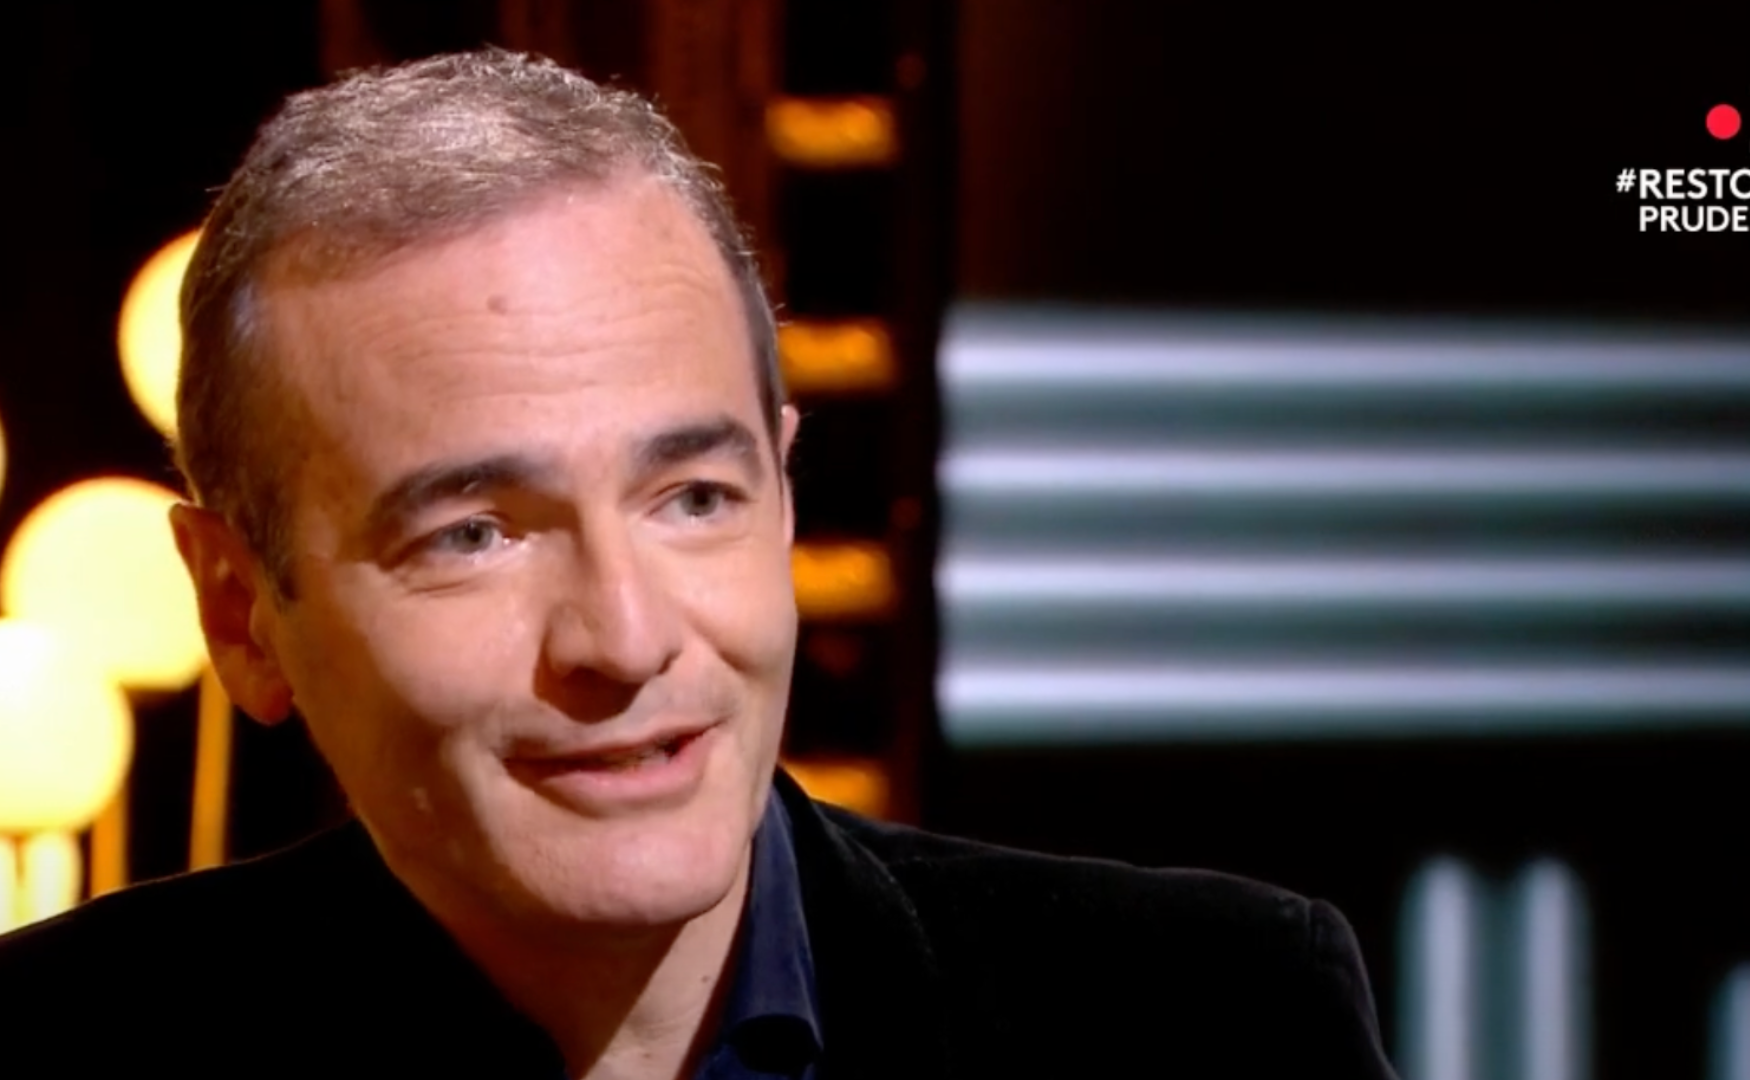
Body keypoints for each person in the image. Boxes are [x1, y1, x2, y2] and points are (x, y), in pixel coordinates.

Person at [0, 49, 1398, 1079]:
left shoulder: (1218, 1021)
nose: (624, 638)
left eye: (693, 499)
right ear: (242, 615)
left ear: (785, 498)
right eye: (473, 533)